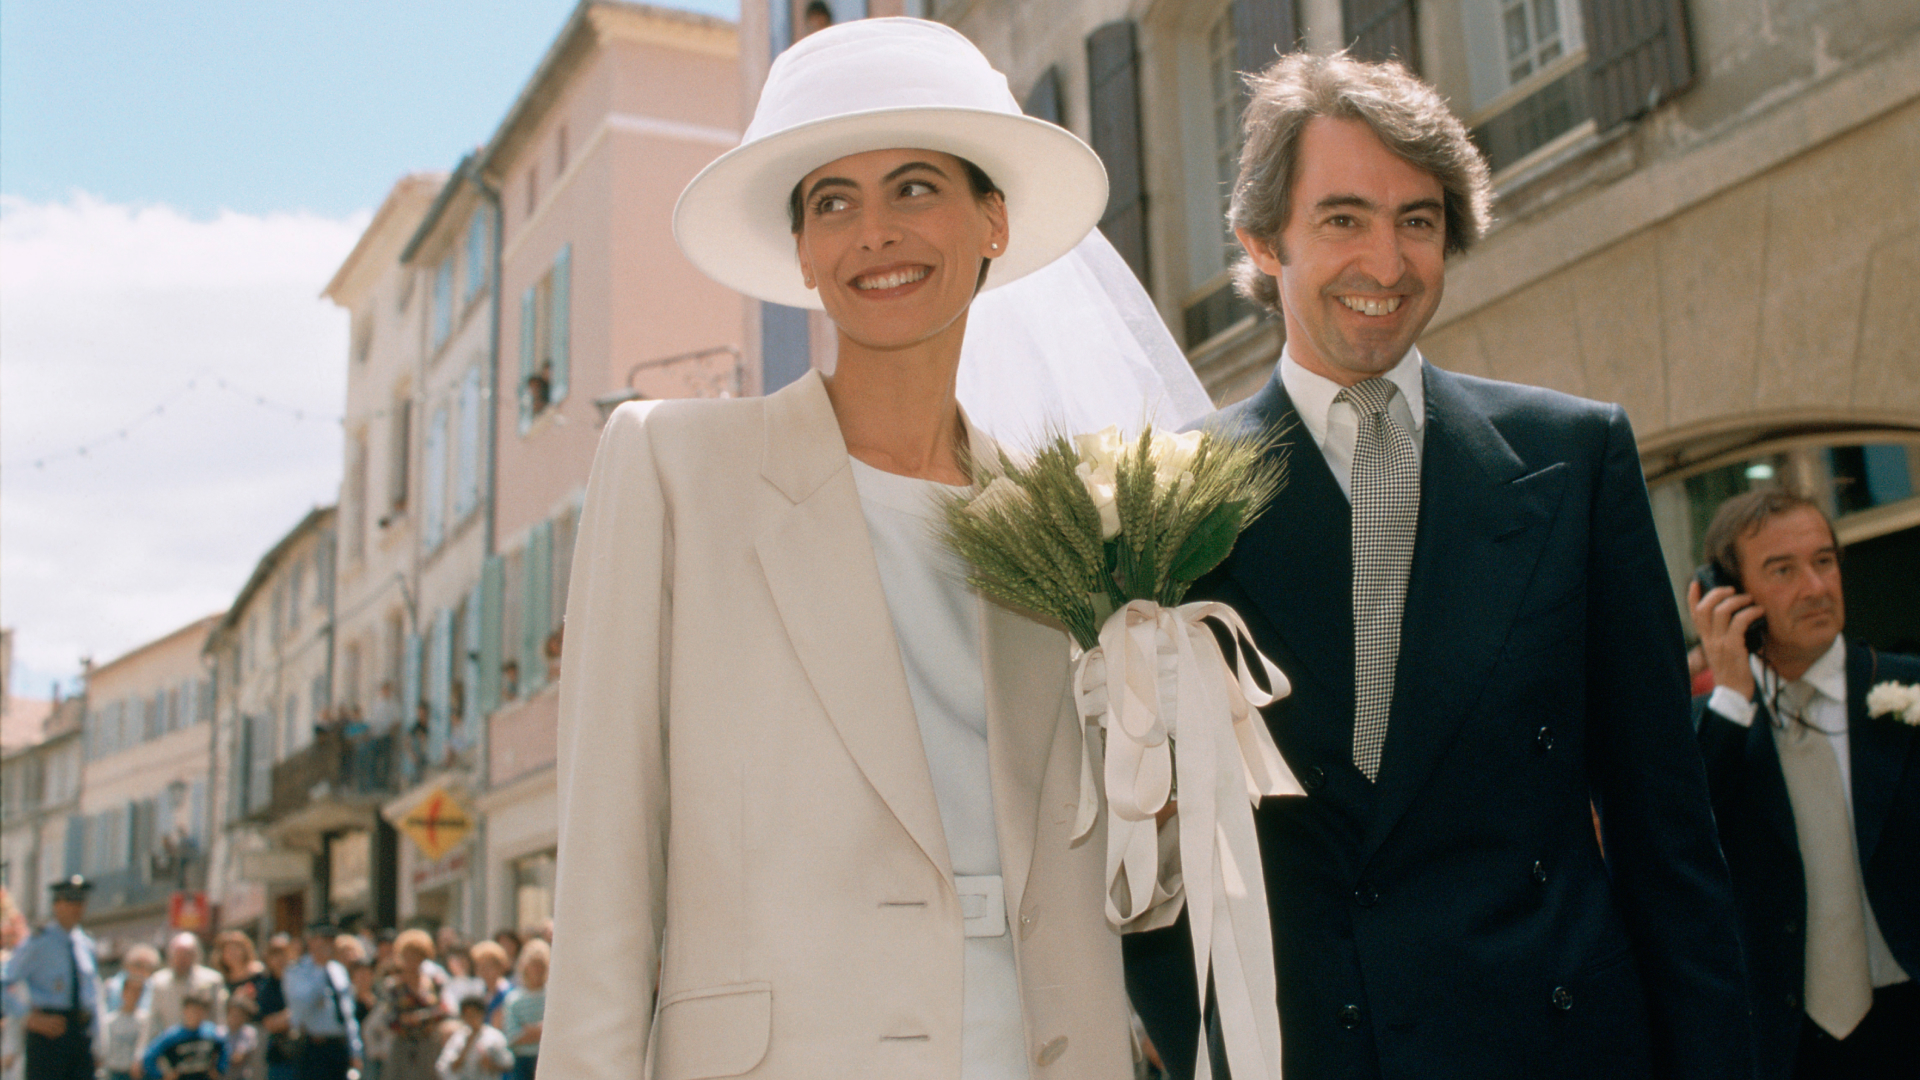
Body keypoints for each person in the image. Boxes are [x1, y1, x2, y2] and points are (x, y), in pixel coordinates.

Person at [541, 17, 1207, 1078]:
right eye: (833, 202)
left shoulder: (1078, 526)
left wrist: (1160, 774)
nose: (875, 234)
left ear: (992, 220)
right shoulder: (671, 468)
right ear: (801, 248)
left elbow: (1136, 884)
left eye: (914, 188)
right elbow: (608, 873)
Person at [1122, 51, 1754, 1079]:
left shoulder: (1573, 458)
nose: (1389, 261)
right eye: (1343, 219)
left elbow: (1667, 837)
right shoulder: (1161, 499)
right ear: (1260, 239)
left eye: (1418, 220)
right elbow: (1148, 866)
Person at [1689, 489, 1917, 1079]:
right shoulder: (1709, 731)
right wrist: (1734, 696)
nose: (1816, 588)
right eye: (1783, 570)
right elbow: (1681, 851)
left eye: (1823, 561)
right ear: (1729, 594)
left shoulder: (1909, 689)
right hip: (1787, 1047)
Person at [0, 877, 100, 1080]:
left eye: (80, 902)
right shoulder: (38, 942)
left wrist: (98, 1042)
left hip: (81, 1034)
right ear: (57, 905)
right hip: (49, 1033)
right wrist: (27, 1018)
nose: (76, 908)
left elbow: (93, 995)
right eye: (70, 902)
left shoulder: (86, 944)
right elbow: (3, 981)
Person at [282, 925, 358, 1080]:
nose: (326, 946)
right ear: (311, 942)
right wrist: (320, 970)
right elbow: (300, 1009)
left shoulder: (338, 969)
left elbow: (347, 1012)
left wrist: (355, 1050)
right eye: (322, 941)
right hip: (313, 1047)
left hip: (338, 1047)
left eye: (330, 941)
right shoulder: (297, 971)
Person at [377, 931, 446, 1080]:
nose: (412, 960)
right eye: (408, 955)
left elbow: (443, 1011)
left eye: (417, 955)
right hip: (402, 1044)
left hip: (428, 1044)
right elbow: (388, 1017)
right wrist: (404, 1021)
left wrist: (421, 1017)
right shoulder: (393, 986)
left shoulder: (433, 983)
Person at [147, 935, 226, 1039]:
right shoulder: (159, 982)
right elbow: (152, 1020)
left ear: (195, 956)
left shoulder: (212, 980)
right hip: (170, 1044)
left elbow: (219, 1017)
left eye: (186, 955)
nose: (181, 960)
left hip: (202, 1043)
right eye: (178, 955)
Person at [140, 991, 226, 1080]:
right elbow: (149, 1057)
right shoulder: (174, 1036)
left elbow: (224, 1048)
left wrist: (219, 1069)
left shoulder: (210, 1032)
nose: (195, 1015)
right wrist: (161, 1075)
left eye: (199, 1011)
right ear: (185, 1011)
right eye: (192, 1011)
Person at [496, 942, 544, 1080]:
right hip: (521, 1061)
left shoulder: (553, 998)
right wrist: (539, 1030)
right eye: (533, 965)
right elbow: (511, 1036)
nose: (537, 970)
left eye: (541, 965)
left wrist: (530, 1031)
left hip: (546, 1057)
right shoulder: (514, 999)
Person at [431, 1000, 509, 1080]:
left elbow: (508, 1064)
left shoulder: (494, 1036)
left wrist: (490, 1065)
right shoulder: (458, 1037)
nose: (471, 1018)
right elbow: (445, 1067)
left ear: (482, 1014)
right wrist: (466, 1046)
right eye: (467, 1015)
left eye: (474, 1014)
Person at [96, 971, 150, 1080]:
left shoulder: (146, 1020)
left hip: (134, 1074)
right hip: (113, 1072)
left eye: (138, 991)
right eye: (131, 991)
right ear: (123, 992)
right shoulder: (109, 1021)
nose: (134, 995)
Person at [211, 934, 263, 1004]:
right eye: (228, 950)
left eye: (236, 949)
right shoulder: (221, 980)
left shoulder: (259, 973)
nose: (233, 953)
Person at [222, 997, 262, 1080]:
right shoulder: (220, 1032)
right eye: (233, 1014)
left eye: (239, 1015)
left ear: (245, 1017)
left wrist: (220, 1058)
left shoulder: (249, 1033)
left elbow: (238, 1058)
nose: (235, 1018)